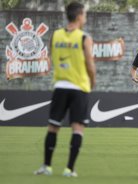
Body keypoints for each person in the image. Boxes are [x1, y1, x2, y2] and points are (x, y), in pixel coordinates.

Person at [34, 1, 96, 177]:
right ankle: (69, 169)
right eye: (84, 15)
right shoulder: (85, 38)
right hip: (79, 87)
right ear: (78, 16)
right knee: (77, 128)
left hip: (60, 86)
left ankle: (46, 166)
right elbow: (90, 65)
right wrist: (92, 81)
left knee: (53, 127)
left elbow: (52, 57)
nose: (85, 18)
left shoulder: (55, 36)